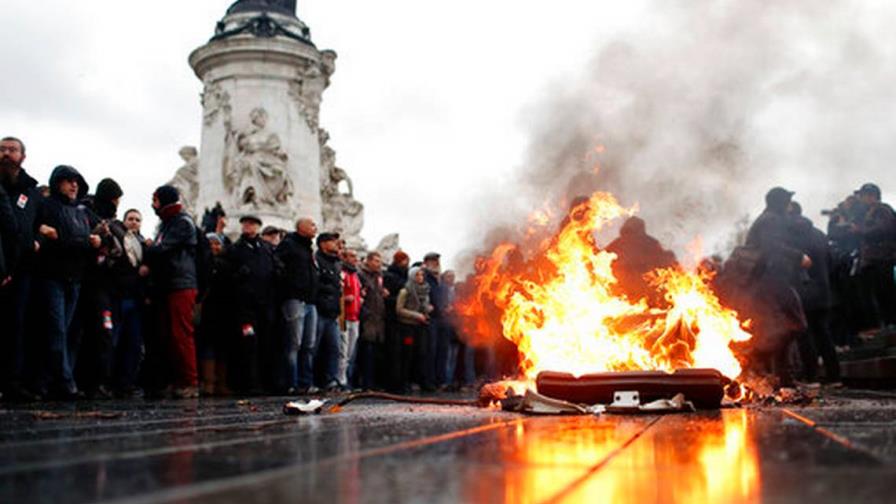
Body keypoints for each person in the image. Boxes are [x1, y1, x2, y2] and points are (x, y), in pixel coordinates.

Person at [35, 166, 101, 399]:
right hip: (52, 276)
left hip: (75, 278)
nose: (73, 185)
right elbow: (36, 232)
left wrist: (97, 240)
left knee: (61, 332)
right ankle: (65, 382)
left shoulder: (82, 211)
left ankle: (44, 382)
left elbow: (98, 233)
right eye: (68, 181)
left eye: (76, 181)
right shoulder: (46, 206)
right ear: (57, 183)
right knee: (56, 331)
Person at [741, 187, 812, 386]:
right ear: (780, 203)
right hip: (771, 281)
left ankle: (781, 377)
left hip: (770, 281)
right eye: (788, 202)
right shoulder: (770, 220)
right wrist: (799, 257)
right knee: (794, 325)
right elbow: (771, 246)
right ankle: (753, 365)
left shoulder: (768, 219)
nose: (790, 207)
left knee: (781, 328)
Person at [143, 185, 199, 399]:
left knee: (181, 335)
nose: (153, 205)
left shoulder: (181, 222)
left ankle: (190, 382)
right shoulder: (167, 223)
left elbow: (162, 248)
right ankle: (176, 380)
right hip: (169, 284)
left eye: (155, 200)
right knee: (168, 336)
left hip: (181, 284)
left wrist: (146, 249)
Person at [0, 136, 42, 401]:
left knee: (16, 326)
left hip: (22, 267)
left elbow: (33, 225)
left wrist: (36, 240)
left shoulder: (31, 192)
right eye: (2, 149)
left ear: (22, 157)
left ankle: (13, 380)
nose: (6, 154)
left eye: (12, 150)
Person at [79, 178, 125, 398]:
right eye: (115, 200)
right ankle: (93, 382)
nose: (117, 205)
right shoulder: (87, 215)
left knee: (103, 334)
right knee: (99, 333)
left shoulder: (111, 223)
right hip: (94, 285)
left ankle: (98, 381)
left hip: (106, 287)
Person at [789, 202, 840, 383]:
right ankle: (835, 377)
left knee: (804, 334)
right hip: (824, 291)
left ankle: (811, 377)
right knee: (824, 334)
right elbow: (832, 261)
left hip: (803, 292)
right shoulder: (819, 234)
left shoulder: (790, 235)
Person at [226, 215, 276, 393]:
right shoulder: (235, 249)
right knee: (249, 344)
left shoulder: (266, 248)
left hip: (265, 304)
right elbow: (228, 275)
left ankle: (266, 382)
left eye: (252, 224)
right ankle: (249, 383)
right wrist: (239, 275)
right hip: (245, 306)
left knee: (266, 343)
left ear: (258, 227)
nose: (248, 227)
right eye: (245, 224)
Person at [276, 218, 319, 394]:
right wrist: (291, 285)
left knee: (308, 345)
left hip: (310, 301)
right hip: (294, 299)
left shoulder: (308, 248)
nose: (315, 228)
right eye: (312, 225)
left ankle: (305, 383)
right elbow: (278, 266)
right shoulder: (289, 245)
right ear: (301, 228)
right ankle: (291, 383)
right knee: (294, 344)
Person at [111, 209, 149, 397]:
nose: (134, 222)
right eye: (131, 219)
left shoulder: (144, 243)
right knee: (115, 341)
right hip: (119, 297)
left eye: (137, 219)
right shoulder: (117, 238)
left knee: (133, 344)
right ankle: (112, 381)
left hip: (136, 300)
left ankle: (127, 382)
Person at [605, 216, 677, 305]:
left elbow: (600, 261)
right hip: (644, 293)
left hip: (623, 293)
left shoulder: (617, 244)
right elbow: (663, 262)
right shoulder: (650, 243)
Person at [197, 233, 235, 396]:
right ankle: (208, 382)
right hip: (207, 308)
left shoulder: (227, 264)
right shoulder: (201, 263)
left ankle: (221, 382)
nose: (214, 247)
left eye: (217, 244)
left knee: (223, 346)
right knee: (208, 346)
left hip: (224, 309)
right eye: (211, 243)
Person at [853, 183, 896, 328]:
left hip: (883, 258)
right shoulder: (870, 212)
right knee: (877, 294)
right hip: (874, 260)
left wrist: (860, 230)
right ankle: (885, 325)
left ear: (872, 196)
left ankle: (891, 324)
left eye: (863, 195)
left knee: (885, 293)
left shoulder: (883, 210)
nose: (861, 199)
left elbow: (883, 229)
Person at [395, 267, 432, 393]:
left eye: (422, 275)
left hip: (420, 327)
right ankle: (403, 383)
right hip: (407, 327)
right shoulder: (405, 291)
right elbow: (399, 310)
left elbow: (424, 306)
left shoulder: (425, 291)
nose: (420, 277)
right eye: (417, 275)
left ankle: (422, 382)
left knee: (421, 354)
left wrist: (427, 310)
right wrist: (416, 315)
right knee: (407, 355)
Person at [314, 232, 343, 392]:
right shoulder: (317, 260)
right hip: (320, 310)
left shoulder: (336, 263)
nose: (336, 244)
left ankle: (330, 380)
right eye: (332, 241)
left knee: (334, 348)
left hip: (332, 313)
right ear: (323, 244)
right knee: (315, 347)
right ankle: (314, 380)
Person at [357, 251, 387, 390]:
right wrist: (366, 314)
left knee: (376, 354)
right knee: (366, 353)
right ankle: (365, 384)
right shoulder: (361, 275)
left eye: (379, 262)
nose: (378, 264)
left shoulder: (378, 277)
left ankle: (373, 384)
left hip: (378, 320)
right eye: (376, 261)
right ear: (368, 261)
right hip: (367, 319)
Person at [339, 248, 362, 389]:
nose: (355, 259)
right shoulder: (343, 274)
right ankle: (341, 380)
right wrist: (344, 298)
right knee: (343, 350)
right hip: (345, 316)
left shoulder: (355, 276)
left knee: (350, 351)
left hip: (355, 317)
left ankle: (346, 379)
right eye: (352, 256)